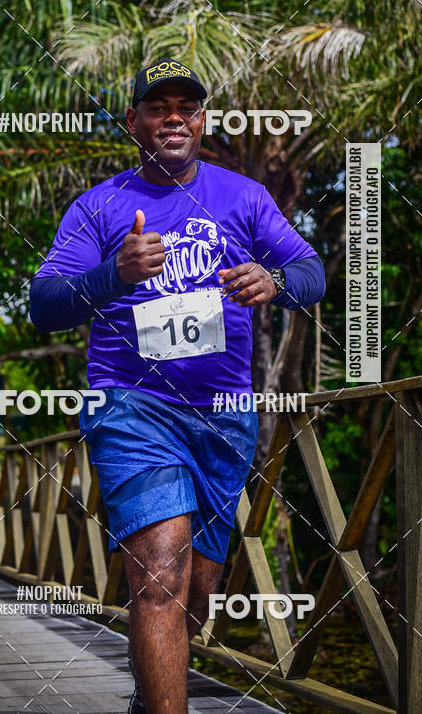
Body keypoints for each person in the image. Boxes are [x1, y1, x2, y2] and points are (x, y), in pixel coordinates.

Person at [30, 59, 325, 713]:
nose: (172, 117)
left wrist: (276, 282)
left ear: (201, 121)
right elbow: (45, 303)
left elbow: (312, 269)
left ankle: (149, 699)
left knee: (195, 593)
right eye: (156, 106)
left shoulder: (244, 196)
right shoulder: (99, 205)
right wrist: (113, 274)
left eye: (186, 107)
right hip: (133, 409)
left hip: (223, 418)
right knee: (160, 577)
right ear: (133, 121)